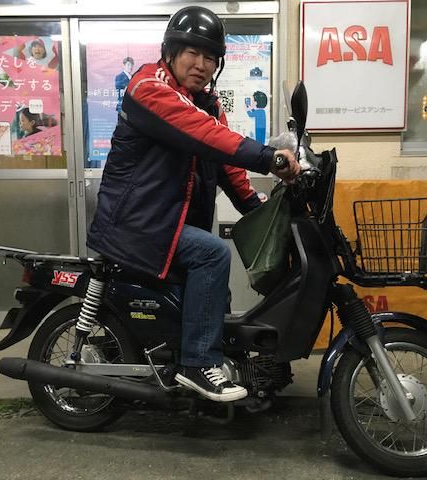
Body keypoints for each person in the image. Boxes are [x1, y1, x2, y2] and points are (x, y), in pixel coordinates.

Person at [87, 6, 300, 403]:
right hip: (136, 222)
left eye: (211, 57)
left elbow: (226, 163)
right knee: (212, 254)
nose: (202, 64)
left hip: (164, 221)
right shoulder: (148, 88)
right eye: (193, 53)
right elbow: (207, 137)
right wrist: (269, 159)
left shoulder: (206, 102)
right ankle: (198, 364)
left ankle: (227, 364)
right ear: (170, 51)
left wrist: (256, 208)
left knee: (216, 289)